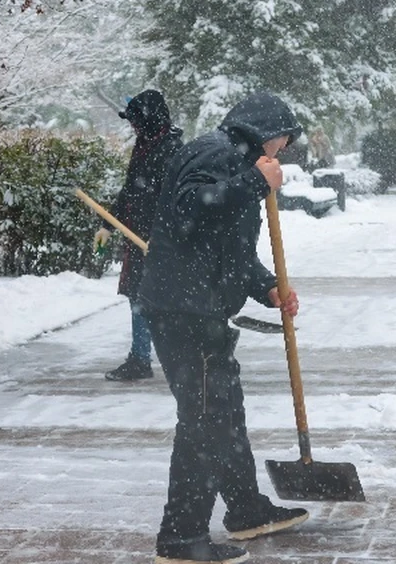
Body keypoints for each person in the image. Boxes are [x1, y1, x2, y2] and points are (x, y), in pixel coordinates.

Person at [138, 91, 309, 564]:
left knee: (223, 413)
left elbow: (227, 247)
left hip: (198, 310)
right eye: (283, 143)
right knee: (204, 421)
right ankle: (179, 538)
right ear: (268, 132)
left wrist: (267, 287)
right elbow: (192, 208)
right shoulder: (216, 153)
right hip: (184, 314)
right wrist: (255, 181)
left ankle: (247, 510)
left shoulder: (231, 155)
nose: (281, 153)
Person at [95, 90, 183, 381]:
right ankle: (140, 359)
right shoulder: (144, 145)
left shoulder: (171, 150)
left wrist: (164, 237)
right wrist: (107, 225)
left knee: (165, 300)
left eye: (135, 120)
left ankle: (183, 358)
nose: (132, 126)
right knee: (138, 297)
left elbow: (174, 199)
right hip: (137, 236)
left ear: (149, 119)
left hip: (160, 239)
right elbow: (131, 189)